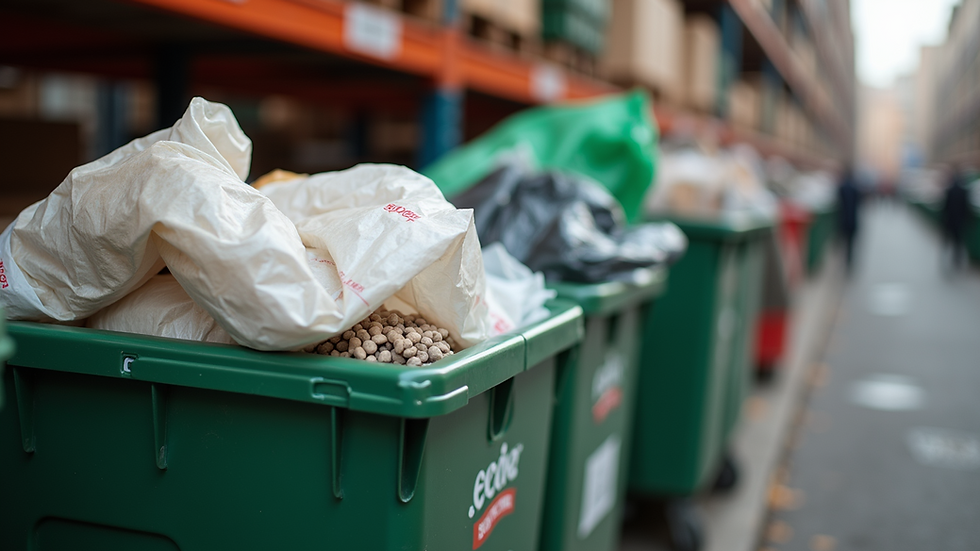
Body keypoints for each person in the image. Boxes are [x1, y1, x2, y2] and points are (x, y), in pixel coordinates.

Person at [941, 166, 970, 269]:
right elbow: (966, 207)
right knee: (958, 241)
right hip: (959, 220)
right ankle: (957, 259)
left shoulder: (949, 190)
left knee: (947, 240)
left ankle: (945, 257)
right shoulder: (964, 190)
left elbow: (945, 206)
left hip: (949, 219)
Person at [837, 167, 861, 271]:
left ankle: (845, 259)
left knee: (844, 241)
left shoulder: (841, 188)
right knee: (851, 242)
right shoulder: (856, 188)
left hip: (843, 219)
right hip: (853, 220)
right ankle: (849, 260)